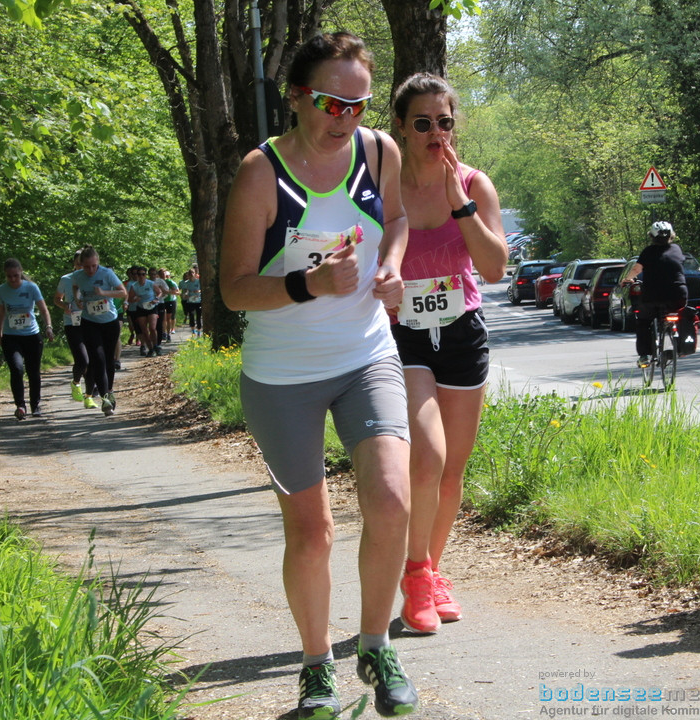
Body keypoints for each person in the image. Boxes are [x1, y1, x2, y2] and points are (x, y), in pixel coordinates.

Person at [219, 31, 417, 719]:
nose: (344, 119)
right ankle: (316, 666)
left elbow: (395, 219)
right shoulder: (260, 172)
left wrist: (391, 265)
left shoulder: (379, 152)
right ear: (298, 97)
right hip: (282, 376)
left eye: (358, 105)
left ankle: (375, 643)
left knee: (391, 498)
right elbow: (235, 290)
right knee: (311, 531)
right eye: (331, 103)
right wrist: (309, 285)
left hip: (365, 355)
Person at [389, 73, 508, 635]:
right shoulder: (383, 186)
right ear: (402, 129)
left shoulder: (474, 183)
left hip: (462, 333)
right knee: (426, 456)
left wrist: (461, 203)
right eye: (423, 123)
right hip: (403, 335)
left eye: (445, 121)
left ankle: (432, 571)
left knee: (452, 470)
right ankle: (415, 576)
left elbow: (494, 267)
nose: (436, 132)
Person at [620, 220, 687, 367]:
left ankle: (644, 356)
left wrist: (627, 279)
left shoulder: (648, 252)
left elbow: (637, 270)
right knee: (680, 315)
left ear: (652, 236)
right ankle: (678, 339)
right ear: (671, 235)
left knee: (643, 321)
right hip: (678, 294)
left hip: (652, 295)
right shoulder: (677, 249)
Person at [72, 246, 127, 417]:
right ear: (81, 265)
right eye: (87, 266)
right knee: (98, 360)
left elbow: (123, 293)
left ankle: (109, 391)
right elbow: (75, 287)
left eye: (93, 266)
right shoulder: (78, 276)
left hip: (109, 322)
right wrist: (77, 299)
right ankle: (105, 399)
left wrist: (104, 292)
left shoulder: (106, 274)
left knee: (109, 360)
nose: (90, 270)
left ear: (98, 263)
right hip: (89, 322)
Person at [0, 258, 54, 419]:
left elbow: (43, 309)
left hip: (31, 336)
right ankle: (20, 405)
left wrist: (48, 327)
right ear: (5, 276)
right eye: (9, 277)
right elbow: (0, 312)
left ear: (20, 273)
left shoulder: (31, 287)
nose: (13, 279)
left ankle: (35, 405)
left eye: (15, 275)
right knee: (16, 369)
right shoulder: (1, 290)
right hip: (11, 336)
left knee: (33, 371)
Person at [54, 251, 95, 408]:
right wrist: (64, 306)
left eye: (83, 265)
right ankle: (76, 382)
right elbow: (57, 298)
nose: (81, 268)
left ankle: (89, 396)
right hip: (72, 323)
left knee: (91, 361)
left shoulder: (92, 278)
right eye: (78, 265)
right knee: (82, 360)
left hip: (91, 321)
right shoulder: (66, 279)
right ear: (74, 265)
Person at [127, 266, 163, 357]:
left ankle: (156, 346)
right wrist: (135, 299)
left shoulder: (150, 283)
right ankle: (150, 349)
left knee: (152, 327)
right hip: (141, 308)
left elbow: (159, 292)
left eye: (143, 274)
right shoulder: (134, 286)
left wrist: (156, 299)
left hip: (151, 306)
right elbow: (130, 299)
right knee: (144, 330)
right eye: (139, 274)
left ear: (146, 275)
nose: (141, 276)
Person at [180, 269, 203, 336]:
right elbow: (186, 291)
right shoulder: (187, 283)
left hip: (198, 301)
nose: (191, 274)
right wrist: (186, 295)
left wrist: (198, 291)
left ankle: (199, 331)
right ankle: (193, 331)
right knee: (191, 315)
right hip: (190, 301)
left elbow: (201, 289)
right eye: (190, 273)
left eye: (193, 273)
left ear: (195, 273)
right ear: (188, 275)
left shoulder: (198, 281)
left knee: (198, 316)